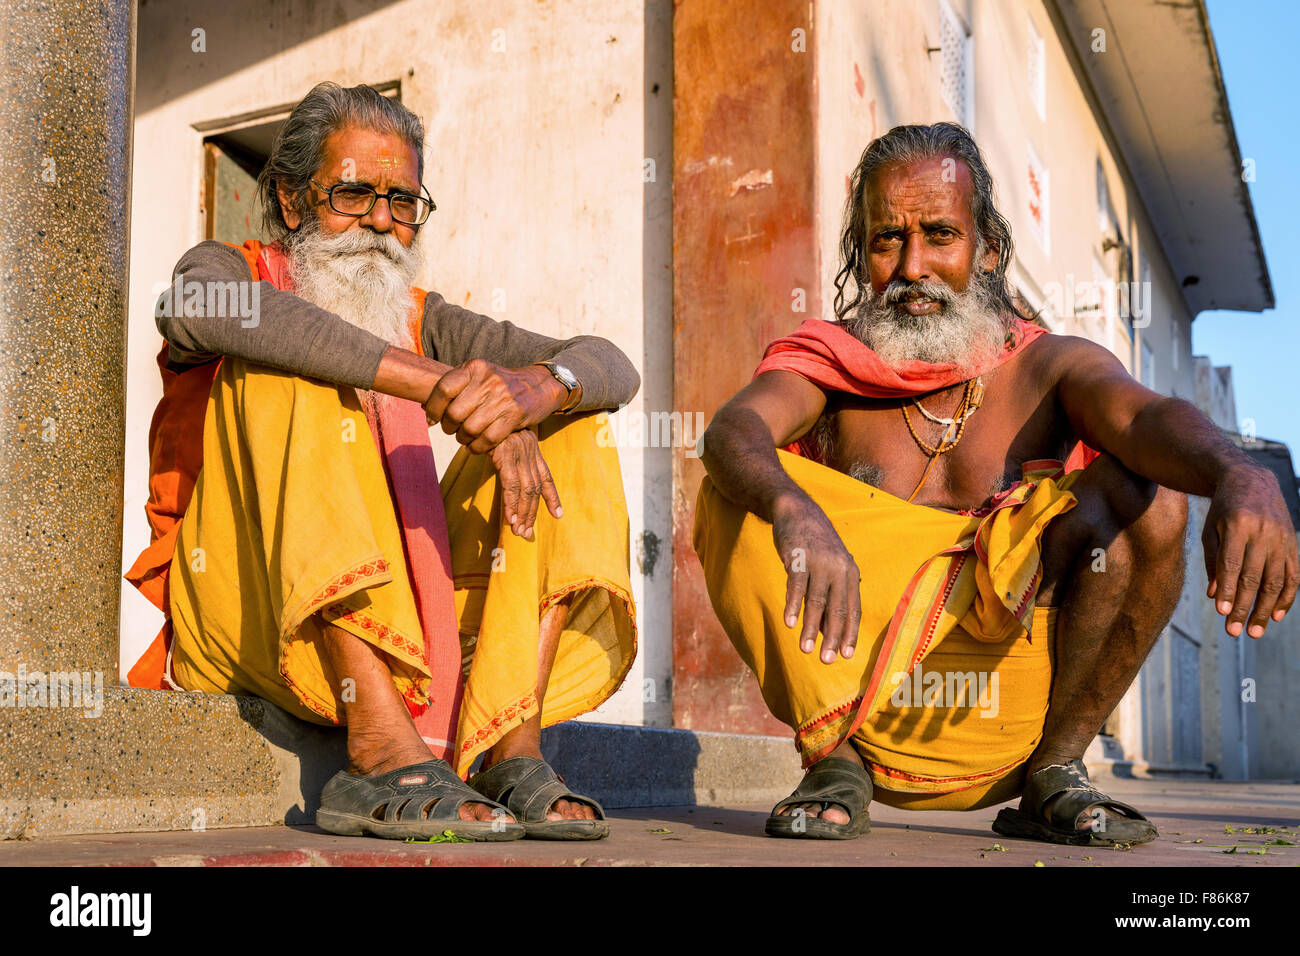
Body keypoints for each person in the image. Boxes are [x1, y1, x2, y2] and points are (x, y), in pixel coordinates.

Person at [693, 122, 1296, 845]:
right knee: (738, 487)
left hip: (1004, 704)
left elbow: (1143, 420)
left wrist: (1241, 473)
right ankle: (834, 764)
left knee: (1152, 494)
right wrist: (791, 504)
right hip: (856, 691)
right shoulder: (833, 361)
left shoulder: (1048, 369)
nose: (912, 265)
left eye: (939, 235)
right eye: (887, 240)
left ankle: (1058, 774)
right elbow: (734, 430)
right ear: (864, 253)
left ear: (988, 251)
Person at [125, 82, 640, 842]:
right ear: (295, 202)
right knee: (285, 360)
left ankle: (509, 746)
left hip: (408, 614)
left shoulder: (421, 314)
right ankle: (377, 750)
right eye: (353, 193)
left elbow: (611, 365)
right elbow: (195, 308)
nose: (379, 222)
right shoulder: (232, 270)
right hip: (244, 615)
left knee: (576, 417)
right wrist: (436, 382)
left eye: (402, 202)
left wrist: (534, 391)